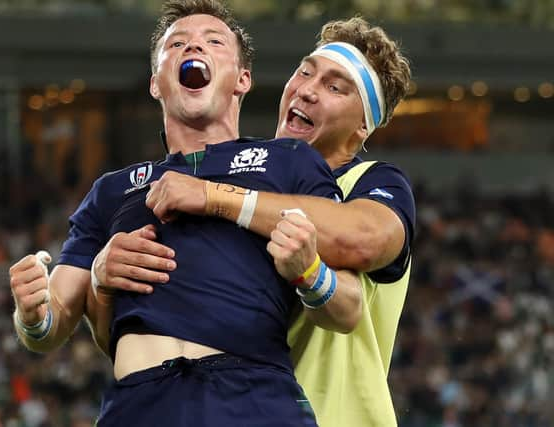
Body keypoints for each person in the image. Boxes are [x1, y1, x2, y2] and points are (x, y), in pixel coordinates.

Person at [9, 1, 363, 426]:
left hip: (253, 397)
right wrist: (31, 314)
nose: (194, 44)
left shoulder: (289, 161)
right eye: (177, 43)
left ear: (242, 80)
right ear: (156, 83)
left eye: (214, 41)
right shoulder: (112, 190)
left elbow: (348, 308)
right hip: (139, 405)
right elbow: (52, 326)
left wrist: (309, 271)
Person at [106, 17, 414, 427]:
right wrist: (99, 272)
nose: (307, 90)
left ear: (363, 125)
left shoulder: (373, 181)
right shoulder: (254, 183)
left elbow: (362, 238)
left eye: (334, 87)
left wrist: (215, 195)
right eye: (305, 72)